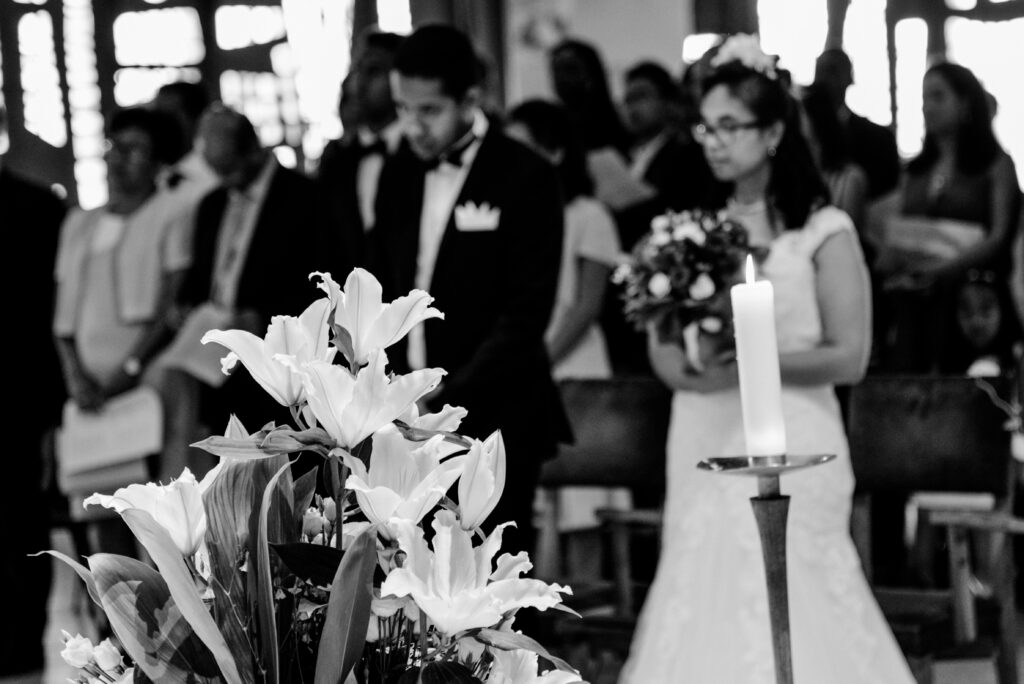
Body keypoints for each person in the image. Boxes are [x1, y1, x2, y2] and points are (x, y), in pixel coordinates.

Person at [621, 37, 915, 683]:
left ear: (774, 130)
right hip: (700, 426)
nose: (714, 141)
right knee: (698, 581)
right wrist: (691, 368)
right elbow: (663, 350)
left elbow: (851, 356)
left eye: (731, 126)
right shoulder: (680, 231)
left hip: (794, 428)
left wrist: (753, 364)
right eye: (706, 126)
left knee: (800, 585)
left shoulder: (823, 230)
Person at [369, 24, 569, 557]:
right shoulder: (397, 174)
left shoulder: (525, 175)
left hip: (497, 412)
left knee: (493, 581)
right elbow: (381, 282)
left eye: (428, 111)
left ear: (470, 99)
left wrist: (449, 391)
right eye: (402, 108)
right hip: (407, 418)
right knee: (414, 577)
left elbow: (527, 314)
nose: (411, 126)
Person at [53, 107, 191, 552]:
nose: (119, 159)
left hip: (147, 384)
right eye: (115, 147)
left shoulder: (172, 211)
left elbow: (171, 305)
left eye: (135, 150)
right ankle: (109, 620)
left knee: (153, 517)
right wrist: (76, 376)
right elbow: (63, 317)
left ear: (158, 162)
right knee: (99, 509)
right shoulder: (79, 222)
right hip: (89, 393)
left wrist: (130, 368)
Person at [505, 99, 627, 576]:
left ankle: (588, 608)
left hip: (571, 356)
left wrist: (539, 358)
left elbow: (586, 304)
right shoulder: (518, 211)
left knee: (581, 499)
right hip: (524, 358)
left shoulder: (589, 213)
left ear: (553, 151)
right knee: (533, 498)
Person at [175, 105, 338, 447]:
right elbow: (202, 274)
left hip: (278, 365)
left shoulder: (308, 199)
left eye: (230, 169)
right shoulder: (212, 204)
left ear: (252, 151)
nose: (226, 181)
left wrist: (261, 318)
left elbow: (321, 283)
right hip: (217, 363)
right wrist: (184, 307)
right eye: (217, 171)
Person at [878, 62, 1021, 372]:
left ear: (965, 103)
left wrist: (944, 268)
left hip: (975, 303)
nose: (928, 107)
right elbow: (905, 232)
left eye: (938, 97)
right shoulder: (916, 171)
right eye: (924, 98)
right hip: (917, 305)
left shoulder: (995, 165)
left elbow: (999, 235)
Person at [0, 104, 67, 684]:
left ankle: (22, 653)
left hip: (17, 396)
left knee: (21, 522)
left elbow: (49, 315)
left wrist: (51, 411)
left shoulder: (39, 207)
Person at [318, 31, 405, 267]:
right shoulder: (337, 162)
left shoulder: (423, 153)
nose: (361, 82)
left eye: (375, 71)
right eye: (358, 70)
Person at [812, 48, 900, 201]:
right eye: (820, 72)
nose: (824, 80)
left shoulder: (879, 139)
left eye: (833, 71)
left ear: (849, 78)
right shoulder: (801, 133)